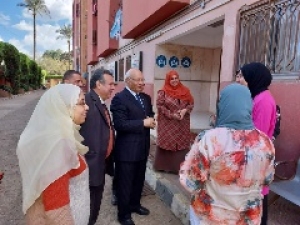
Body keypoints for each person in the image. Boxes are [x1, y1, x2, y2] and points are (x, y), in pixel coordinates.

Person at [180, 84, 275, 225]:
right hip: (248, 218)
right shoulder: (265, 142)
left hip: (212, 217)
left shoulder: (209, 139)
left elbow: (191, 182)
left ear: (222, 105)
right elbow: (267, 180)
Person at [16, 84, 90, 224]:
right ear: (63, 107)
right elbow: (57, 212)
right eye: (81, 103)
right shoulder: (58, 146)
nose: (86, 107)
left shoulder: (59, 137)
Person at [110, 68, 155, 225]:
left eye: (143, 80)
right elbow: (120, 124)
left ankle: (135, 205)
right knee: (125, 183)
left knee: (138, 181)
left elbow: (150, 114)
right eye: (138, 80)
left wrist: (151, 120)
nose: (142, 83)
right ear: (128, 81)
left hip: (142, 148)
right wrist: (143, 123)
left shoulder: (146, 98)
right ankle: (124, 215)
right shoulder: (119, 99)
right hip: (127, 151)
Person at [238, 62, 276, 225]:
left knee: (256, 200)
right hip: (250, 157)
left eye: (242, 76)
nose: (239, 80)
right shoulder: (256, 96)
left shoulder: (263, 101)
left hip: (255, 159)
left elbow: (256, 136)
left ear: (253, 78)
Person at [79, 69, 116, 225]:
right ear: (98, 84)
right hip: (90, 166)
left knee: (94, 206)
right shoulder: (86, 102)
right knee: (89, 207)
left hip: (99, 164)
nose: (113, 87)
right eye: (110, 84)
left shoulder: (100, 101)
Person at [154, 70, 194, 173]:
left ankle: (180, 168)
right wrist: (172, 115)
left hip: (182, 124)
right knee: (168, 143)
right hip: (168, 124)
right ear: (168, 80)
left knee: (181, 145)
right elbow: (160, 106)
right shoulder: (163, 92)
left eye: (176, 78)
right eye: (172, 79)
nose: (174, 80)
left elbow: (191, 104)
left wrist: (185, 110)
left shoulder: (185, 90)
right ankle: (165, 167)